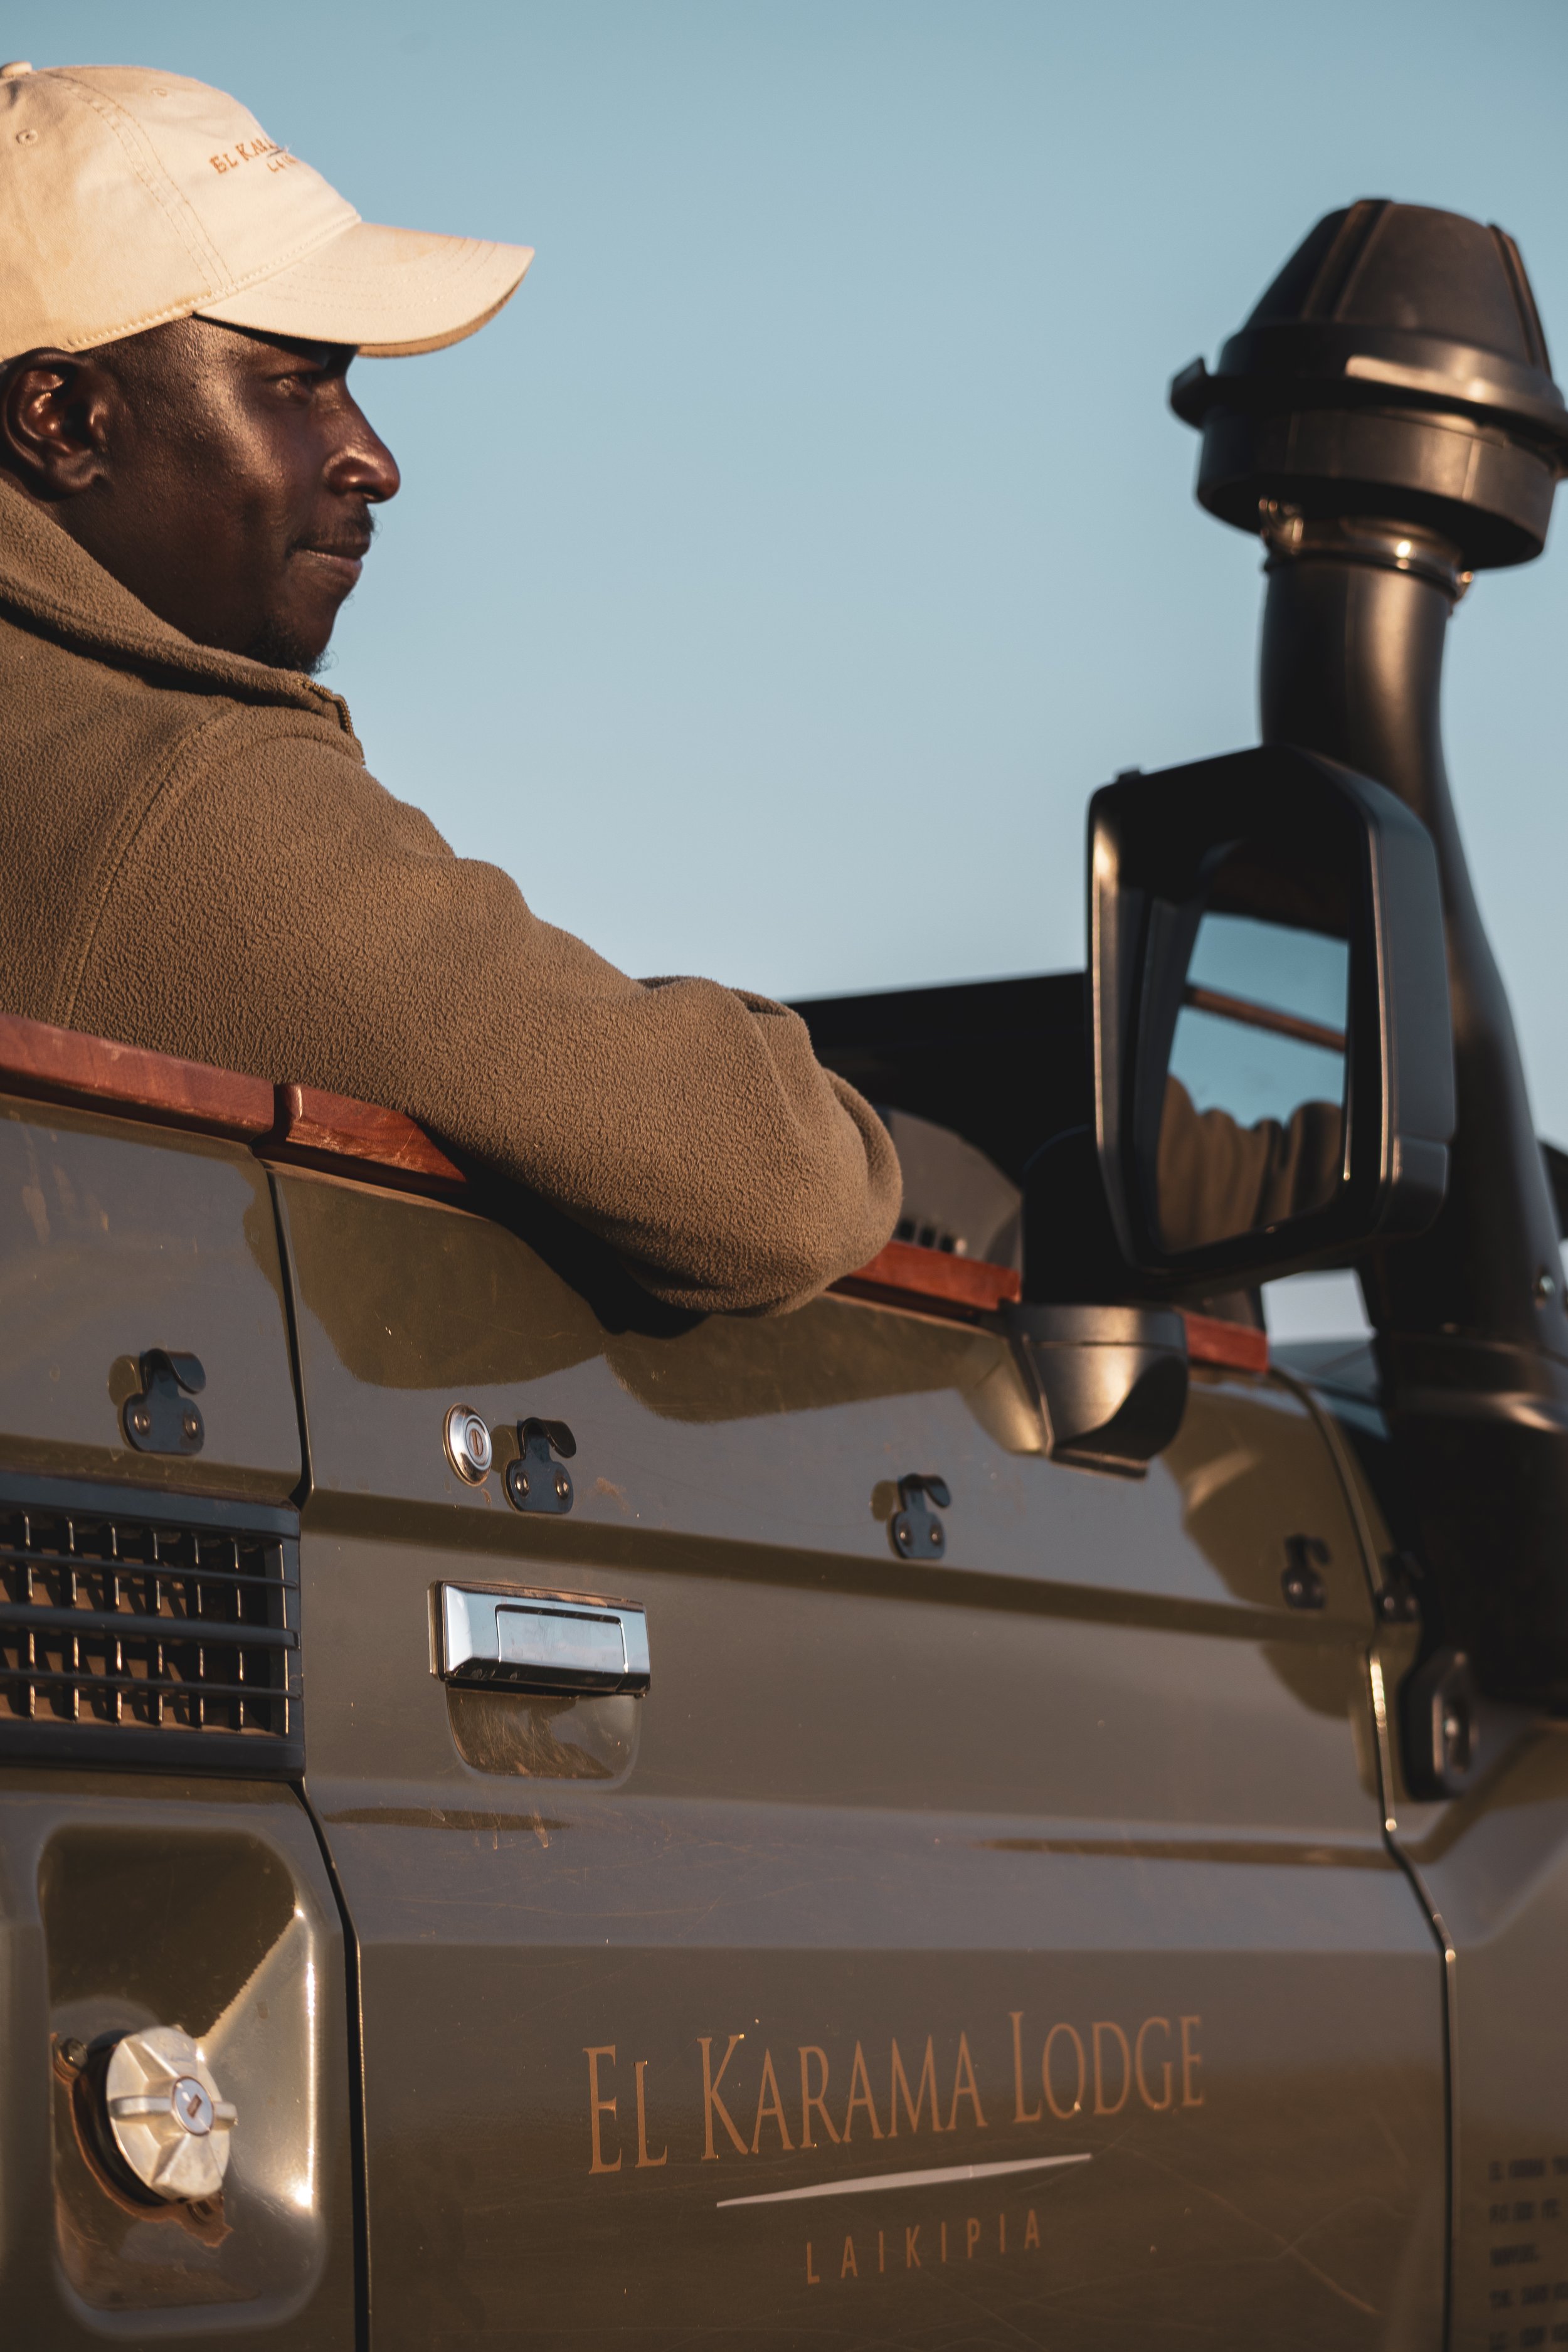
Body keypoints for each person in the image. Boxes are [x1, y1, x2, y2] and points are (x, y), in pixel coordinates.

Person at [0, 62, 899, 1315]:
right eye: (295, 382)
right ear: (62, 418)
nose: (373, 457)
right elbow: (773, 1186)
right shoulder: (183, 798)